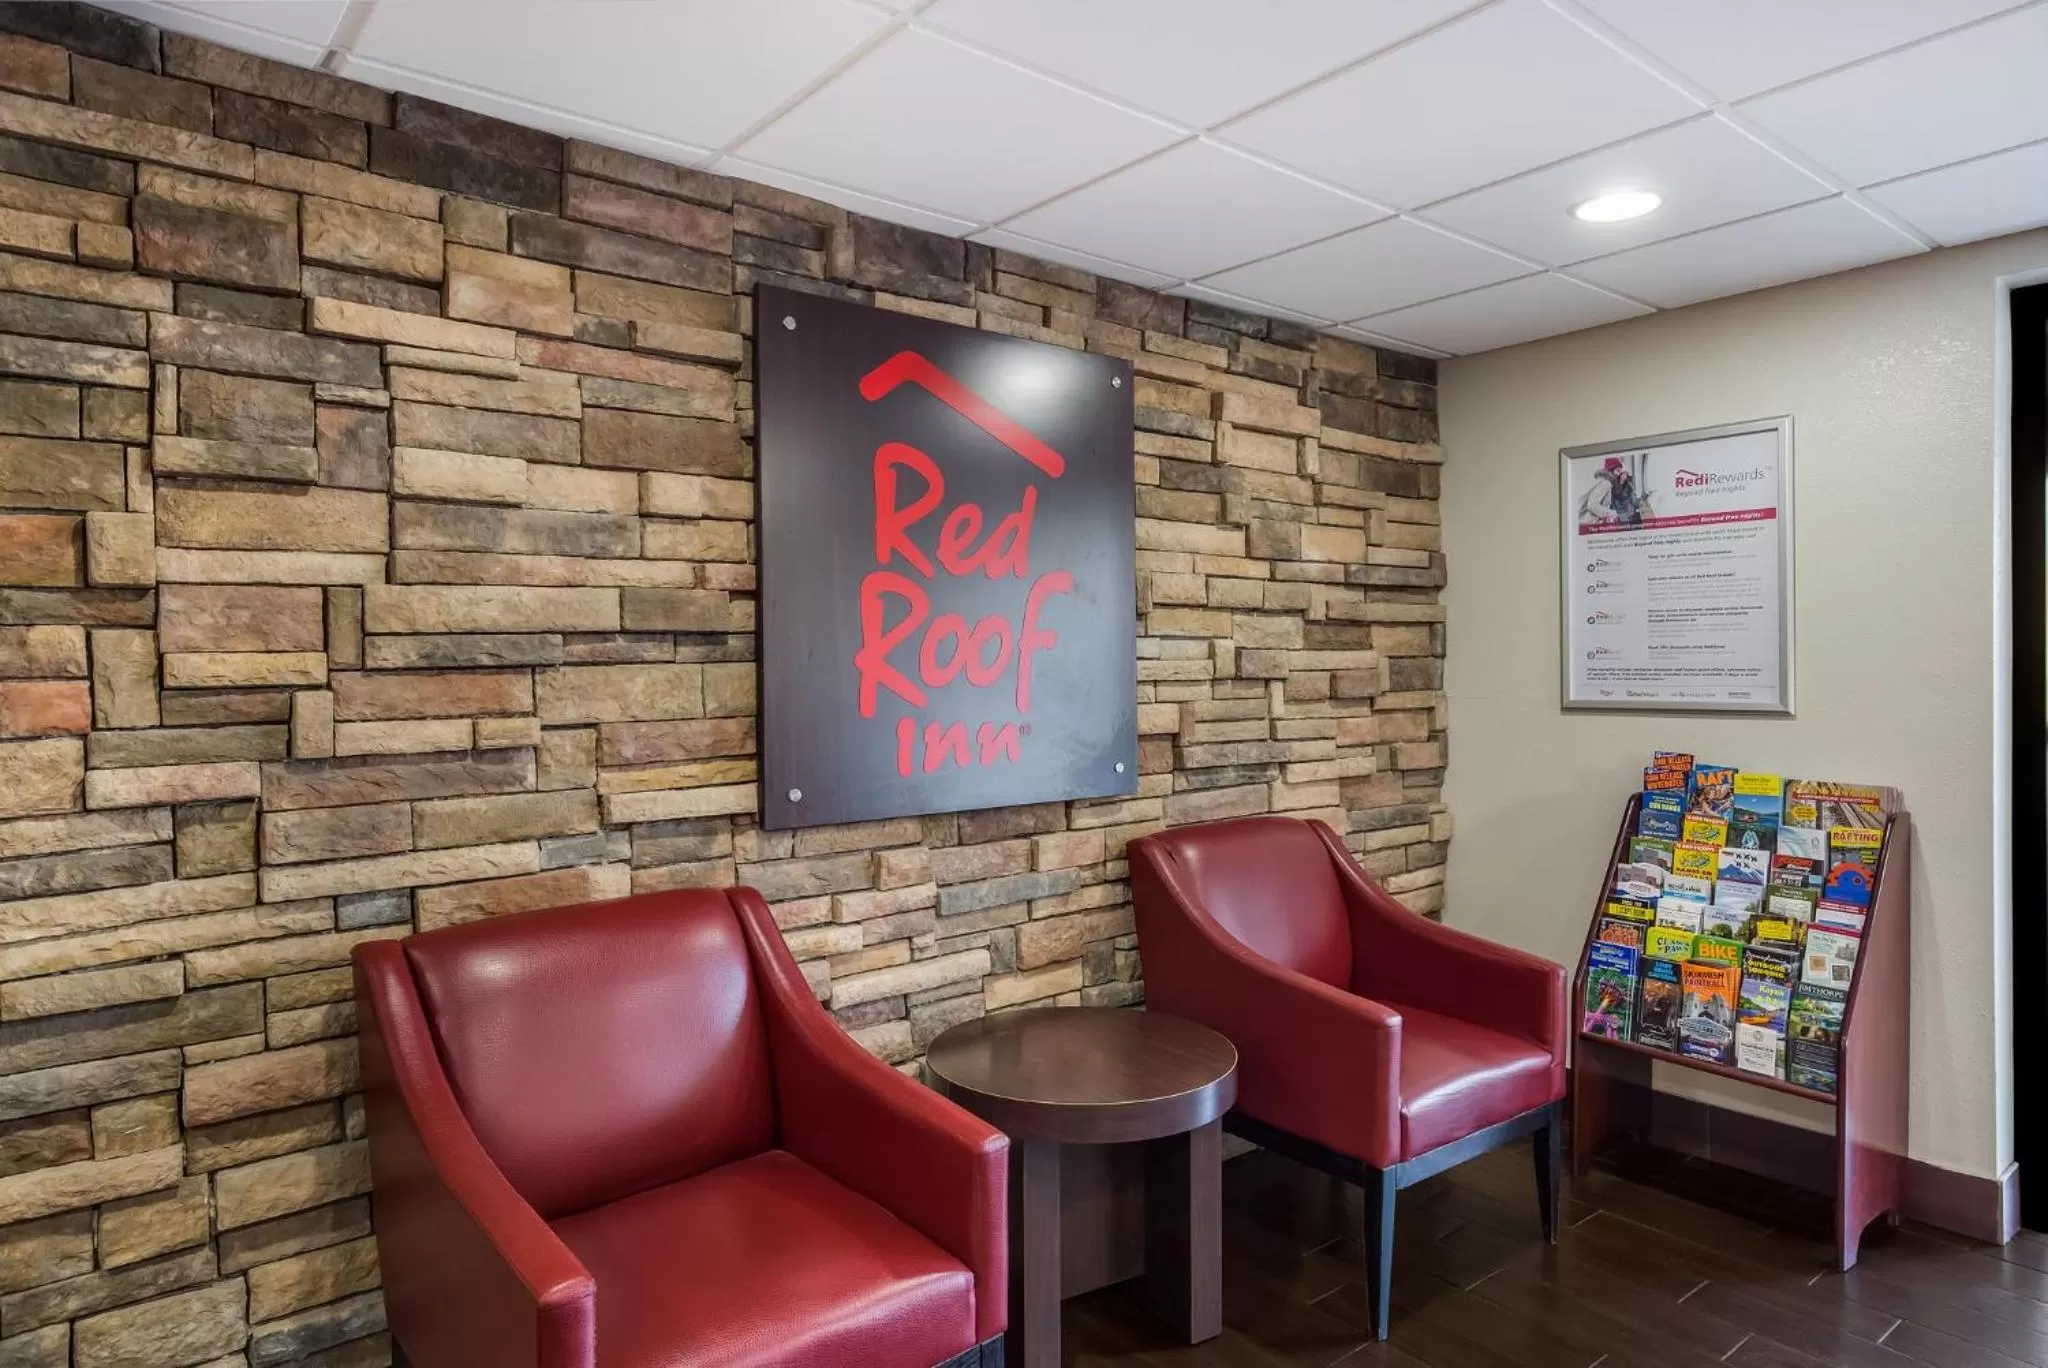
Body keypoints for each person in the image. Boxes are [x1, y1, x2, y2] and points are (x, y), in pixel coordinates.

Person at [1578, 455, 1643, 527]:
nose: (1620, 474)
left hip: (1592, 521)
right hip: (1588, 523)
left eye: (1622, 472)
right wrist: (1612, 514)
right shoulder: (1606, 483)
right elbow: (1592, 504)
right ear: (1611, 469)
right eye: (1618, 471)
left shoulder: (1604, 481)